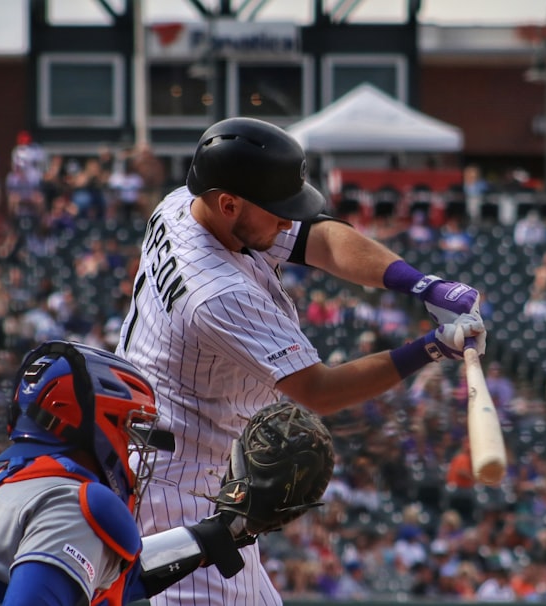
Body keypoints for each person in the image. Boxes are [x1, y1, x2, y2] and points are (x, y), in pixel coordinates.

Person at [114, 117, 486, 605]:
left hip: (169, 465)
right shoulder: (216, 291)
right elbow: (320, 391)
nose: (289, 221)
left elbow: (323, 239)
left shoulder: (184, 204)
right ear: (230, 203)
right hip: (175, 488)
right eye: (278, 211)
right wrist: (431, 349)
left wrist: (421, 284)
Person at [0, 341, 269, 605]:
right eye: (127, 426)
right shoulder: (73, 500)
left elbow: (114, 576)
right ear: (93, 420)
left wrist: (220, 534)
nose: (132, 444)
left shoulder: (4, 490)